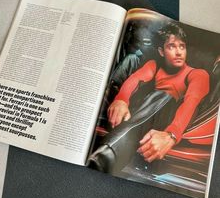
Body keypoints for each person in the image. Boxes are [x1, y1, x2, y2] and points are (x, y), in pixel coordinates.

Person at [89, 22, 210, 175]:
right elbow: (135, 79)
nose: (179, 52)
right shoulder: (155, 65)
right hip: (144, 112)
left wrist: (171, 135)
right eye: (171, 46)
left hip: (172, 120)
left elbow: (190, 103)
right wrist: (122, 99)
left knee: (162, 96)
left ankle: (105, 156)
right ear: (161, 51)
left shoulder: (197, 74)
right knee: (140, 84)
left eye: (182, 46)